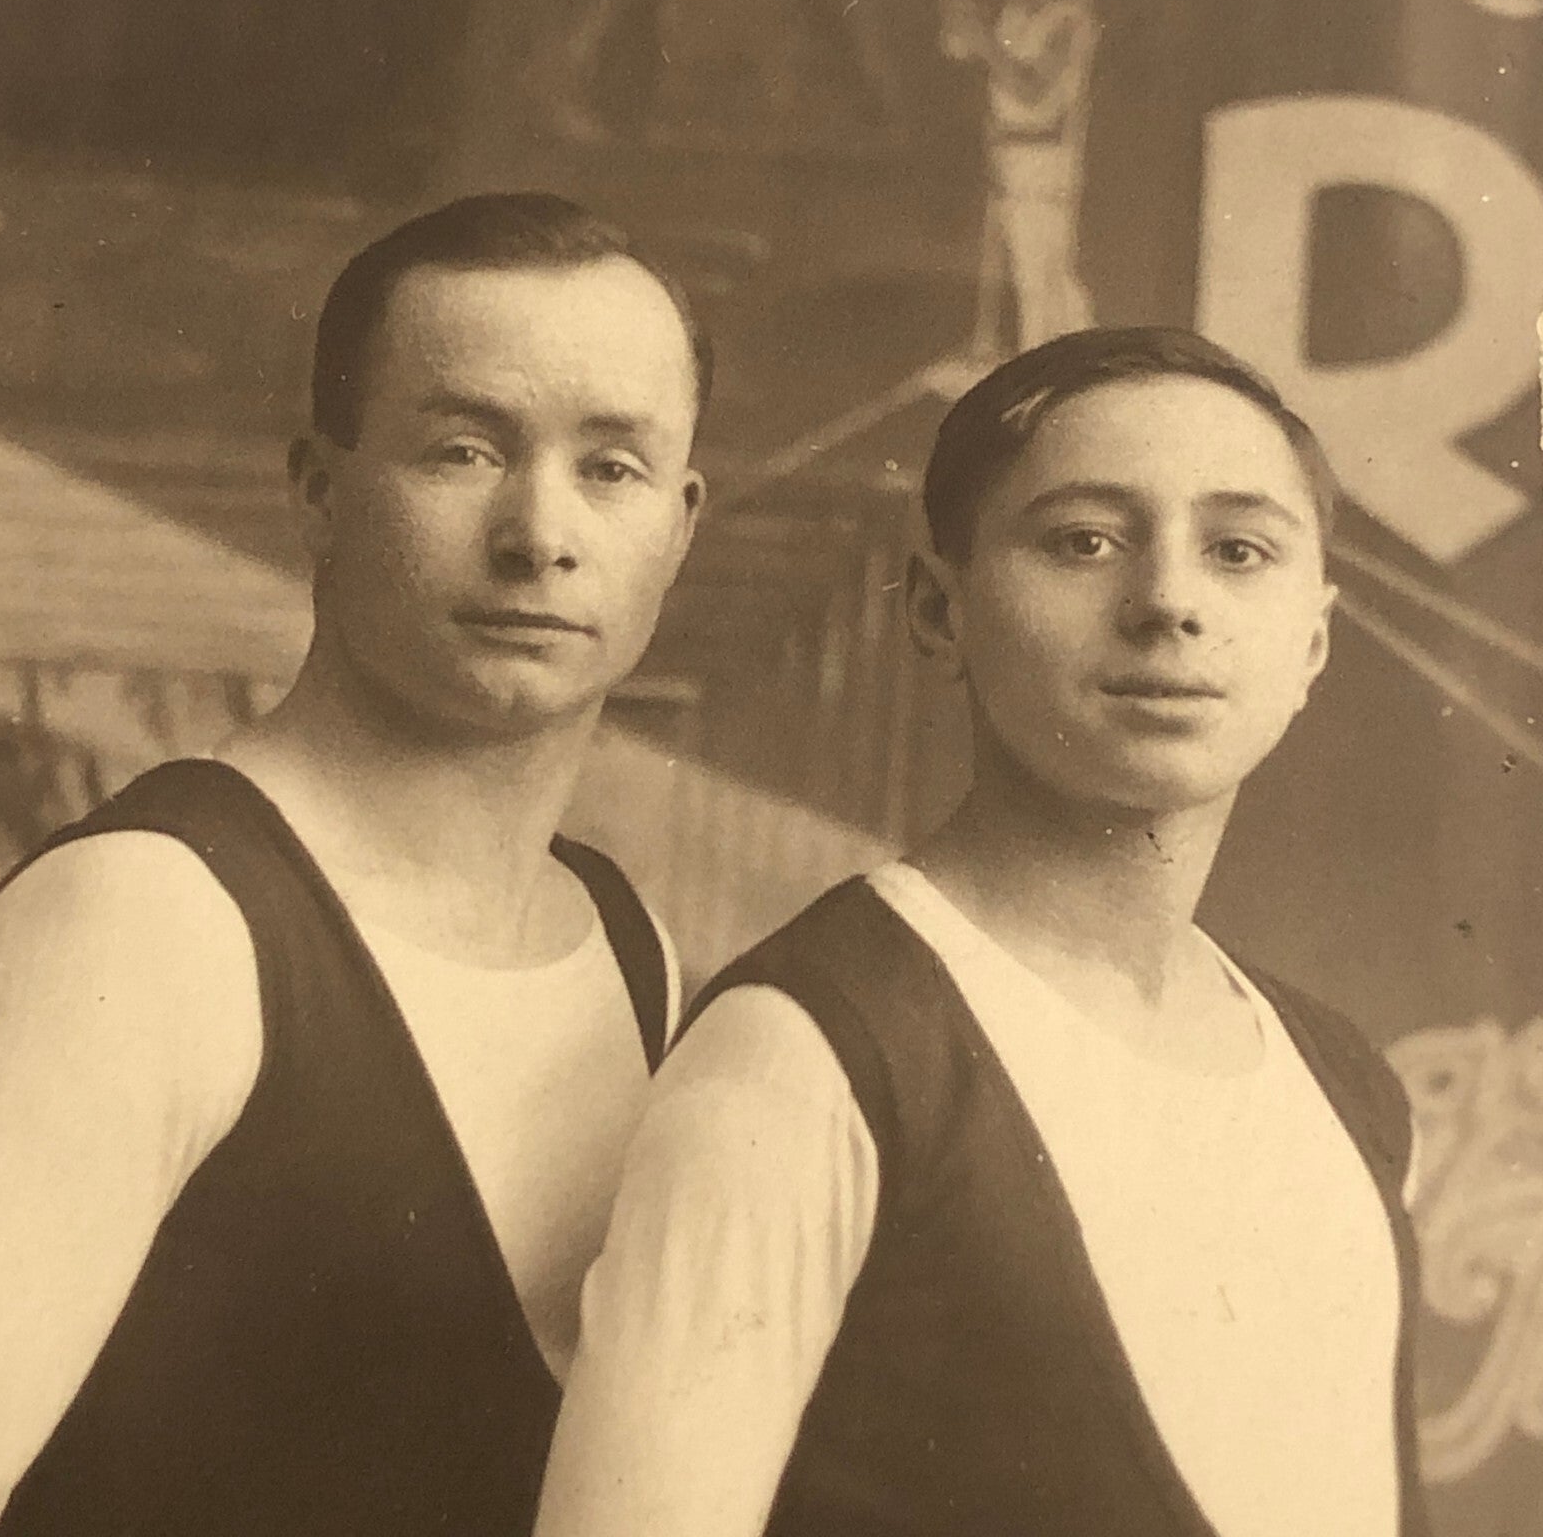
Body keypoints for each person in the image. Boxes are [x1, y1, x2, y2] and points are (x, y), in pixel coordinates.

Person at [533, 327, 1429, 1537]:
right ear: (937, 611)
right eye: (1083, 541)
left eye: (1237, 550)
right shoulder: (806, 1059)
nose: (1168, 601)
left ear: (1311, 640)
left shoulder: (1345, 1087)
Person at [0, 192, 709, 1536]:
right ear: (320, 488)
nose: (542, 534)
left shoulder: (623, 933)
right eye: (464, 451)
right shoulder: (144, 926)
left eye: (613, 468)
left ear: (683, 525)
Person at [941, 0, 1095, 356]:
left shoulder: (1069, 22)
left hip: (1048, 158)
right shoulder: (1013, 17)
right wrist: (960, 24)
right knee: (1025, 273)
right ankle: (1059, 361)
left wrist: (983, 42)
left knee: (1047, 276)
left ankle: (1054, 364)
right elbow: (958, 52)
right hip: (1010, 156)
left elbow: (1030, 90)